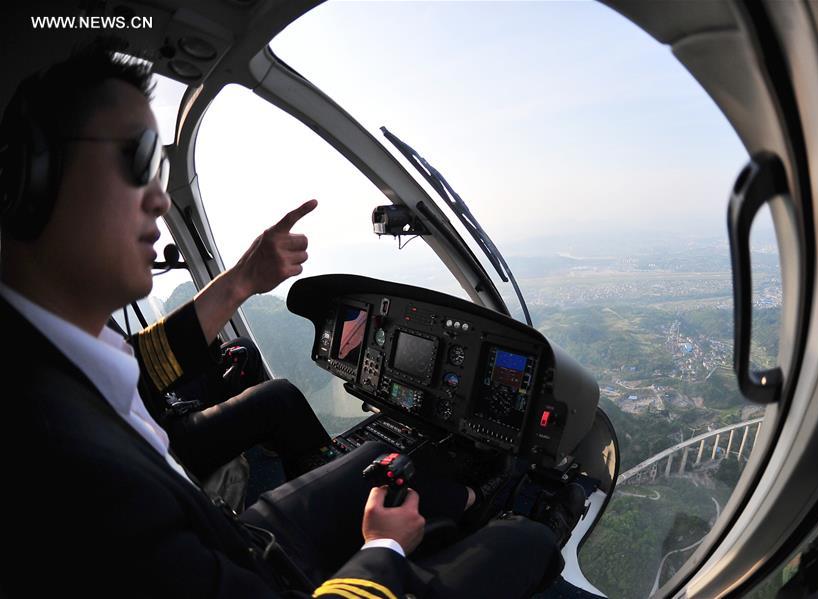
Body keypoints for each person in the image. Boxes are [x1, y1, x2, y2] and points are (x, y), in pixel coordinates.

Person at [0, 41, 584, 598]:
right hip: (262, 574)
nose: (157, 197)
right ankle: (522, 523)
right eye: (138, 159)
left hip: (234, 537)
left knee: (399, 463)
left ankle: (453, 503)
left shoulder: (52, 355)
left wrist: (245, 280)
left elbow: (145, 367)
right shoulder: (68, 474)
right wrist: (383, 549)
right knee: (521, 541)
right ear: (27, 179)